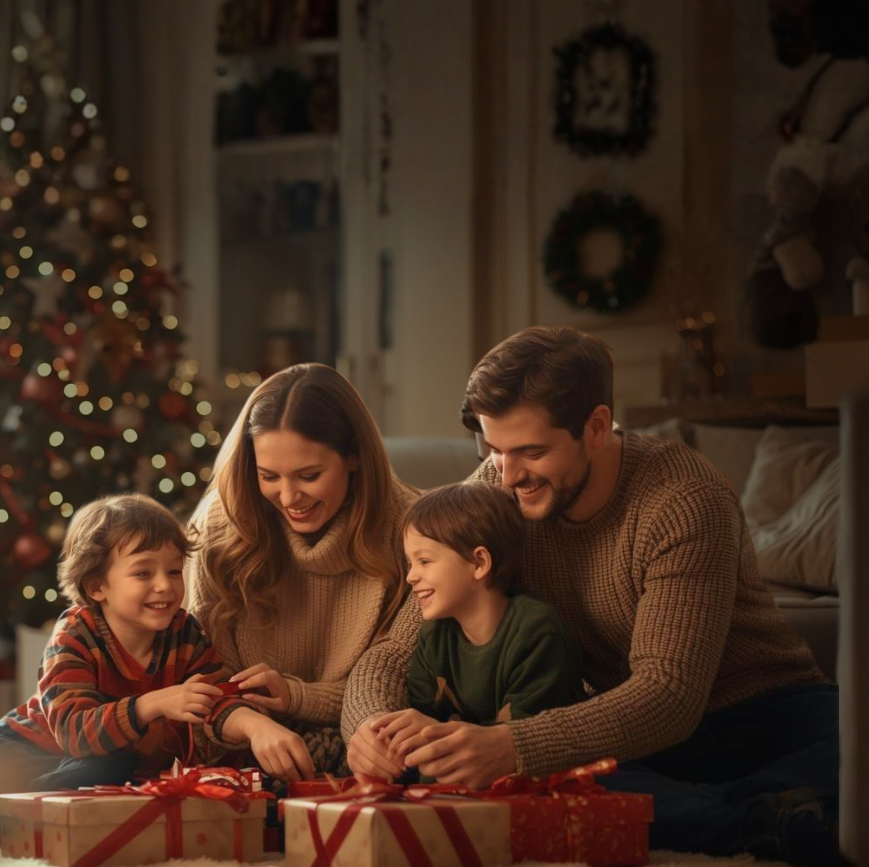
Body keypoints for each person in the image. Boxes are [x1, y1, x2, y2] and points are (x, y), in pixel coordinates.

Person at [345, 325, 845, 866]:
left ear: (597, 427)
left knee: (852, 752)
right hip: (629, 735)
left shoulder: (683, 501)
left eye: (531, 451)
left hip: (765, 714)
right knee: (535, 788)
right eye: (494, 450)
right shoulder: (497, 487)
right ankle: (769, 818)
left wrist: (512, 745)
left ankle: (760, 811)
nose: (509, 475)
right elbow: (396, 649)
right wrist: (370, 729)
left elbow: (669, 693)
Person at [0, 493, 232, 845]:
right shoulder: (76, 631)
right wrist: (154, 704)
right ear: (96, 586)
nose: (165, 585)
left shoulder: (186, 633)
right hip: (30, 742)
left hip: (93, 767)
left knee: (109, 769)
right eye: (143, 572)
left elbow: (218, 697)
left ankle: (10, 816)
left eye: (174, 571)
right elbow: (73, 732)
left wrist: (254, 725)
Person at [187, 362, 420, 784]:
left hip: (367, 743)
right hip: (241, 744)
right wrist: (253, 722)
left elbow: (400, 680)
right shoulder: (221, 527)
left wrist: (297, 696)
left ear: (353, 456)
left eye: (309, 476)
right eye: (268, 476)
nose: (289, 497)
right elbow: (203, 680)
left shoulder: (410, 529)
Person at [371, 481, 585, 764]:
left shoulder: (536, 632)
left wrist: (435, 739)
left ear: (478, 563)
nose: (410, 577)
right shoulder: (434, 634)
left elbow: (525, 747)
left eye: (423, 561)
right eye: (410, 564)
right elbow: (420, 728)